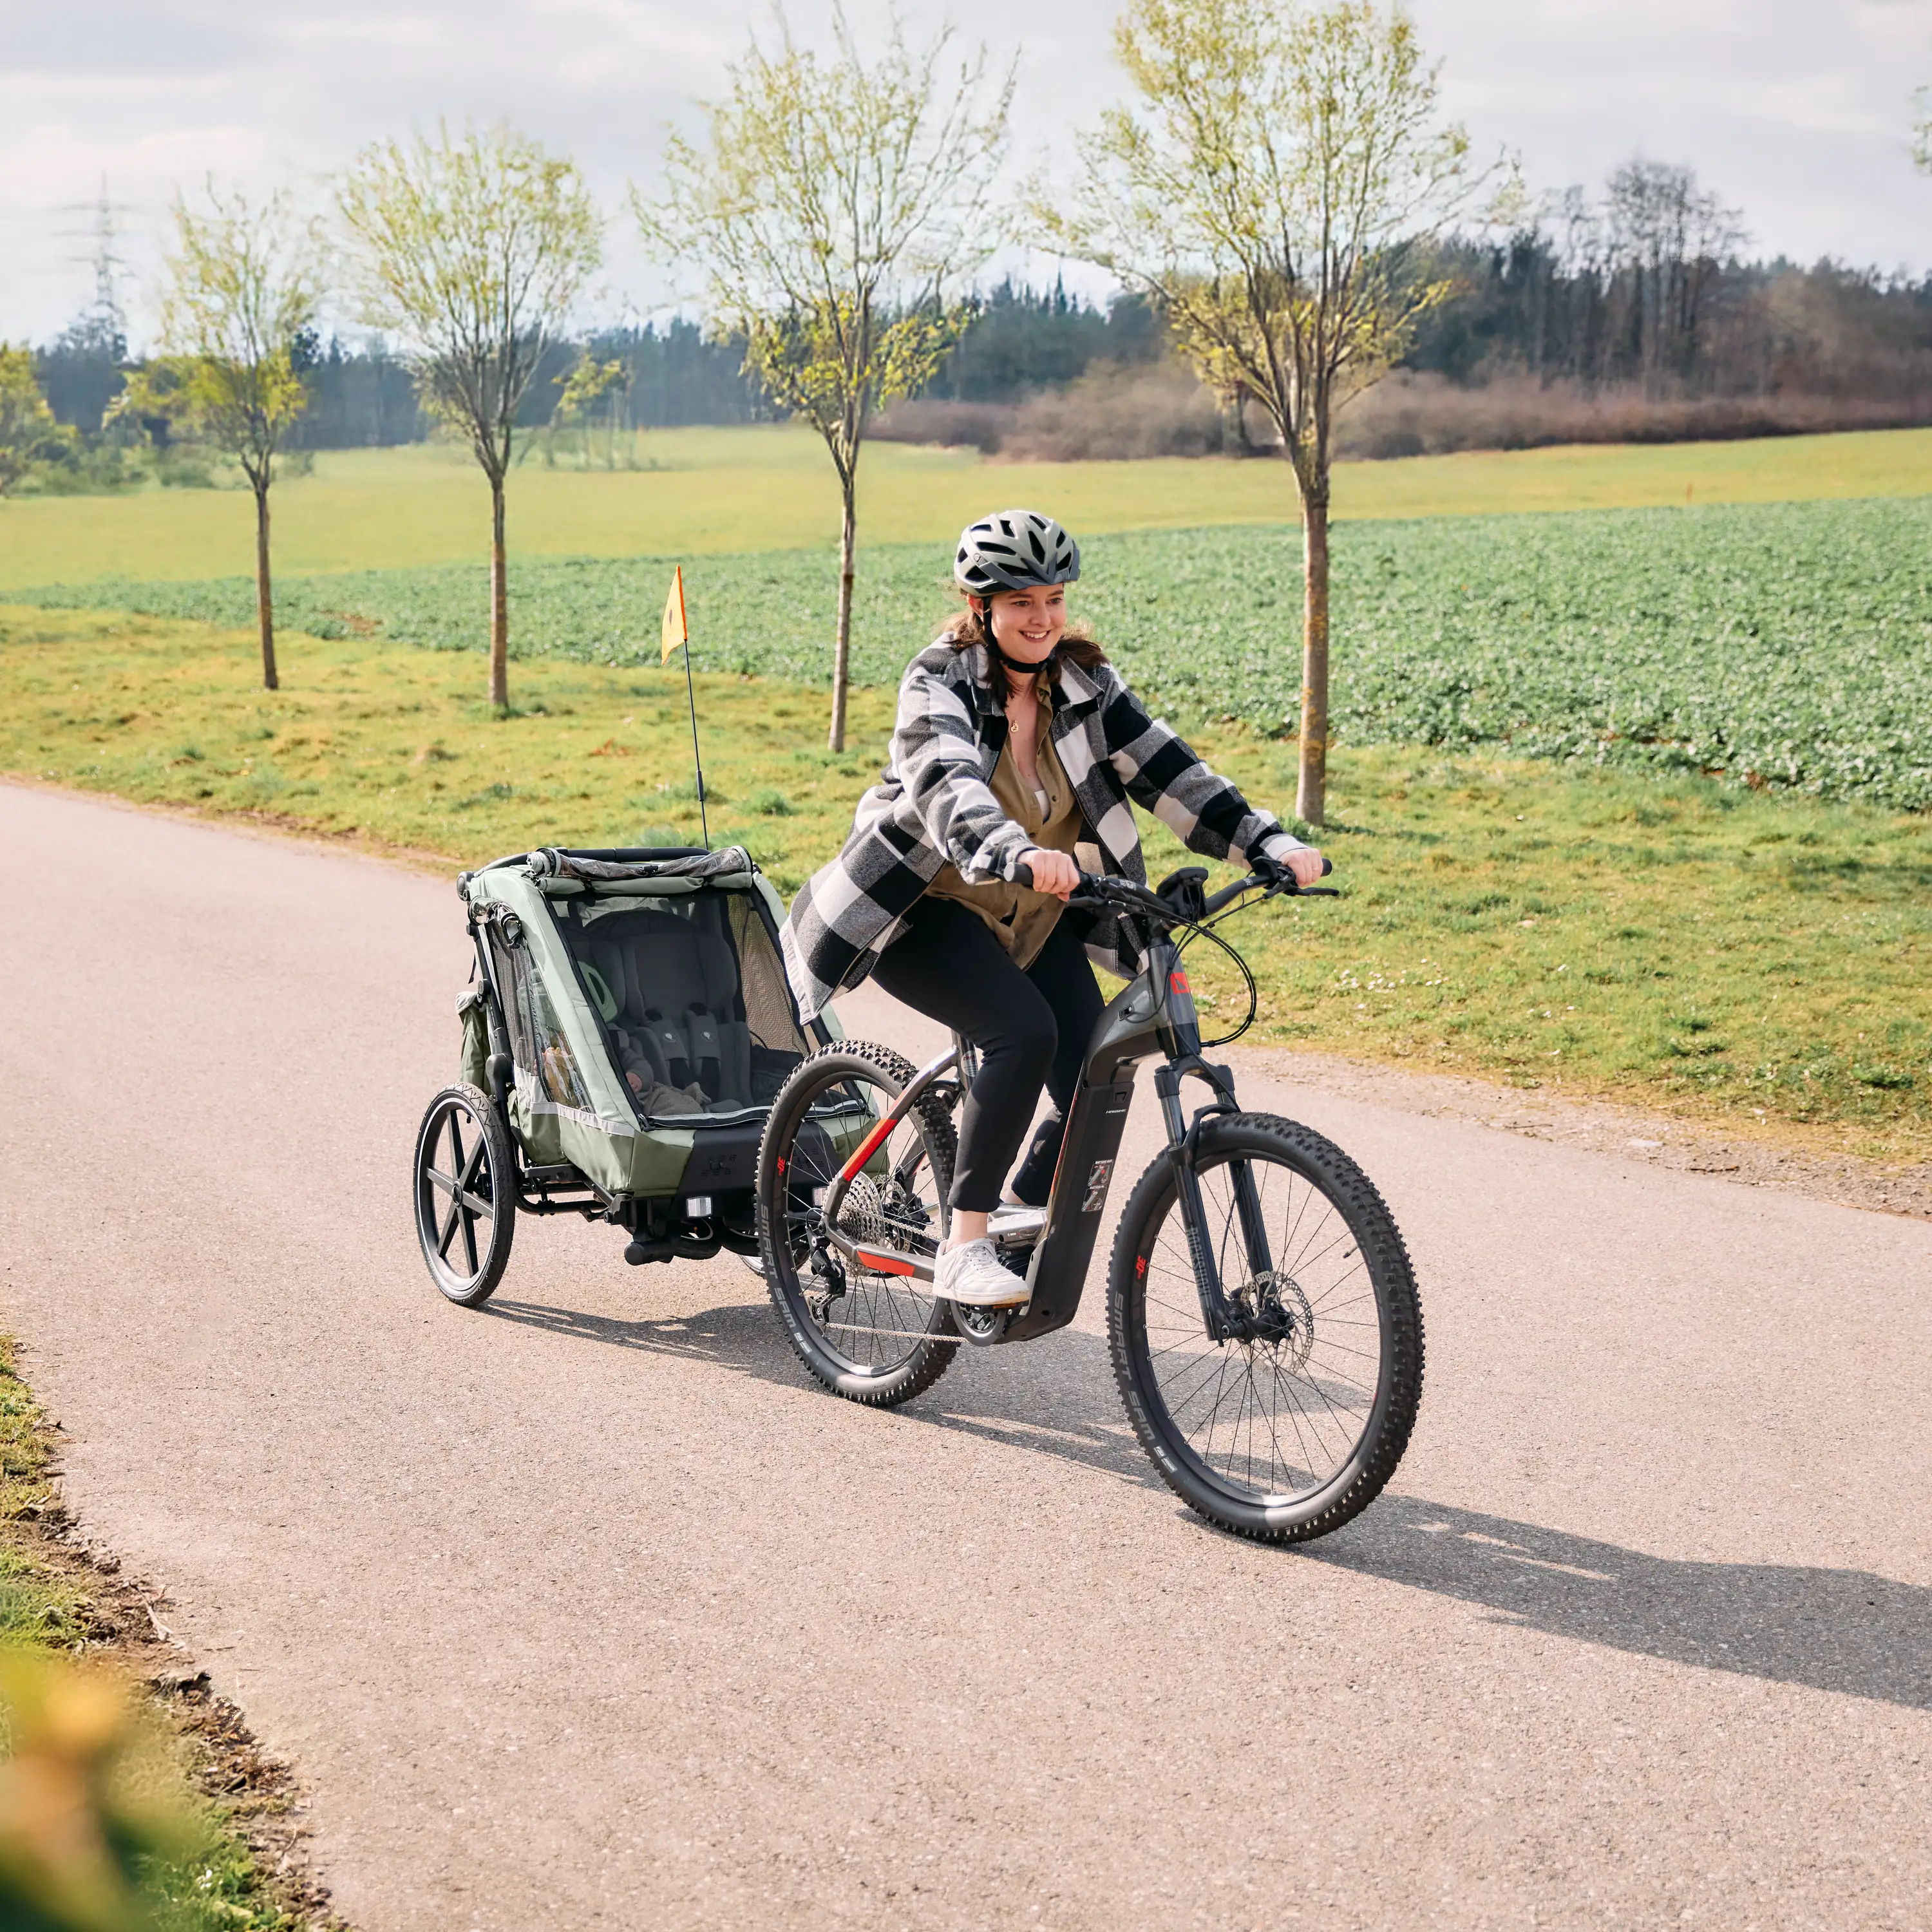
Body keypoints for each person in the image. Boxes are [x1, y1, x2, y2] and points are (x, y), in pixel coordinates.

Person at [781, 509, 1326, 1309]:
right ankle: (966, 1245)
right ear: (981, 609)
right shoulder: (938, 679)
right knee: (1021, 1034)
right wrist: (1017, 852)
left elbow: (1174, 773)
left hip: (1036, 916)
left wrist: (1265, 841)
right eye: (1020, 603)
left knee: (1094, 1076)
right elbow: (948, 784)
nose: (1041, 619)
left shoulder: (1088, 687)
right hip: (924, 907)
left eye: (1054, 600)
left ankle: (1014, 1206)